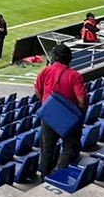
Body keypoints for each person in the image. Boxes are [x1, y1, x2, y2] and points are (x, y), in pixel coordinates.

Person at [34, 45, 86, 177]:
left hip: (49, 116)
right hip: (68, 118)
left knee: (46, 149)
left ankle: (44, 176)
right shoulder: (75, 76)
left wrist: (47, 104)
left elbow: (38, 92)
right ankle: (60, 175)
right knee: (69, 148)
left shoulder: (45, 71)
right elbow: (82, 100)